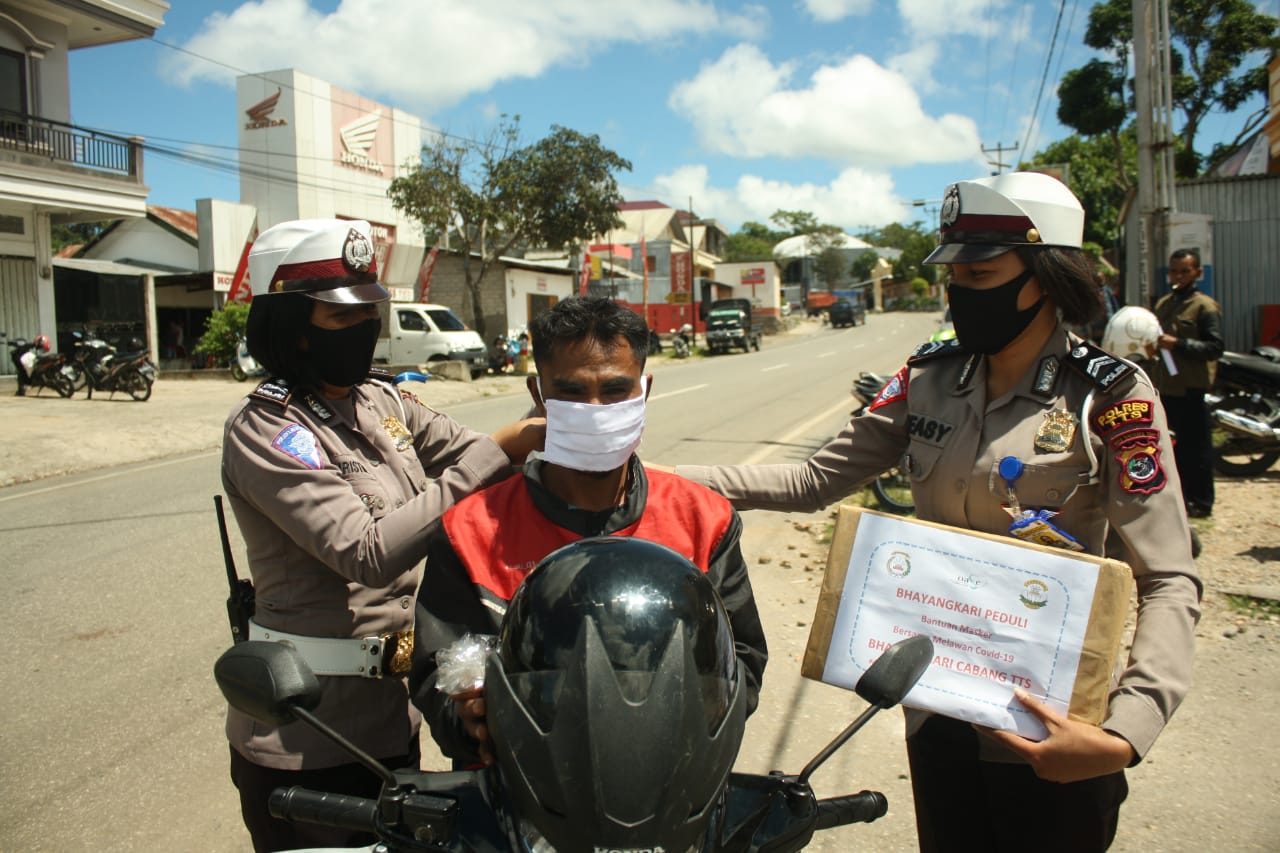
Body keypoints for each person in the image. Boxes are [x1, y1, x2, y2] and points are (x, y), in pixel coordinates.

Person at [672, 173, 1202, 852]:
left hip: (1052, 730)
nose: (961, 291)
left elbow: (1169, 577)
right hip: (938, 714)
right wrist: (649, 475)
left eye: (981, 271)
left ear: (1047, 275)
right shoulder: (929, 380)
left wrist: (1123, 733)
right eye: (954, 273)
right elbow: (810, 479)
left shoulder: (1111, 397)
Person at [220, 218, 540, 852]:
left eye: (370, 311)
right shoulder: (266, 429)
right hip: (309, 736)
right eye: (343, 317)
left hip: (396, 722)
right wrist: (500, 449)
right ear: (292, 325)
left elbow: (473, 452)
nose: (366, 329)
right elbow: (365, 551)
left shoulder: (381, 401)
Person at [408, 296, 767, 768]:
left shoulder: (704, 519)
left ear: (645, 389)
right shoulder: (470, 529)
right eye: (572, 392)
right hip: (512, 793)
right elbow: (436, 672)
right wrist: (469, 720)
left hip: (670, 787)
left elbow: (741, 659)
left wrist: (698, 719)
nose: (595, 409)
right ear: (539, 394)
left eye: (615, 390)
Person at [1151, 249, 1223, 518]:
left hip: (1191, 387)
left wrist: (1179, 344)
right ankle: (1179, 499)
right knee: (1171, 448)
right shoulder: (1164, 304)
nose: (1178, 276)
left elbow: (1215, 347)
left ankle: (1201, 502)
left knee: (1198, 447)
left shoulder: (1204, 306)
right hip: (1167, 387)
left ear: (1197, 273)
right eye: (1174, 271)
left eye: (1185, 271)